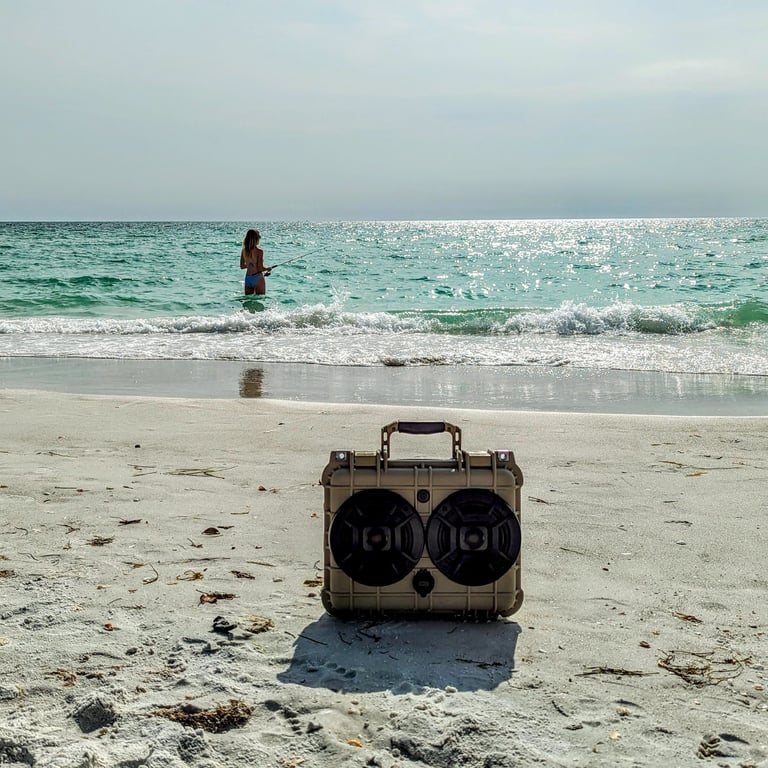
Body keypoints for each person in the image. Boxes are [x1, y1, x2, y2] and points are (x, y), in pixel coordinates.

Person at [240, 229, 271, 295]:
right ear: (256, 238)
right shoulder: (259, 251)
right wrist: (268, 268)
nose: (260, 237)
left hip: (248, 278)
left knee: (248, 303)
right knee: (260, 301)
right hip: (258, 278)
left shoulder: (244, 250)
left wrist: (250, 265)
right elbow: (260, 268)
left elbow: (242, 266)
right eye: (259, 236)